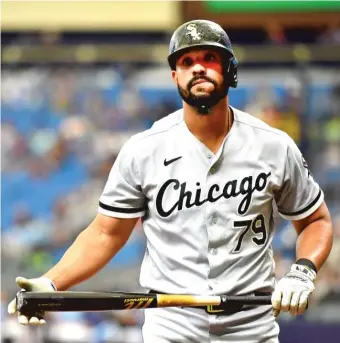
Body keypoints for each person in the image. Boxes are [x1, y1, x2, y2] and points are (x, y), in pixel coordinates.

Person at [8, 20, 333, 343]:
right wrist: (51, 283)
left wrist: (301, 272)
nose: (198, 69)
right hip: (172, 330)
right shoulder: (144, 149)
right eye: (187, 62)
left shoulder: (273, 146)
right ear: (175, 76)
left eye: (209, 58)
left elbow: (316, 220)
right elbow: (106, 234)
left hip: (251, 330)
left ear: (230, 70)